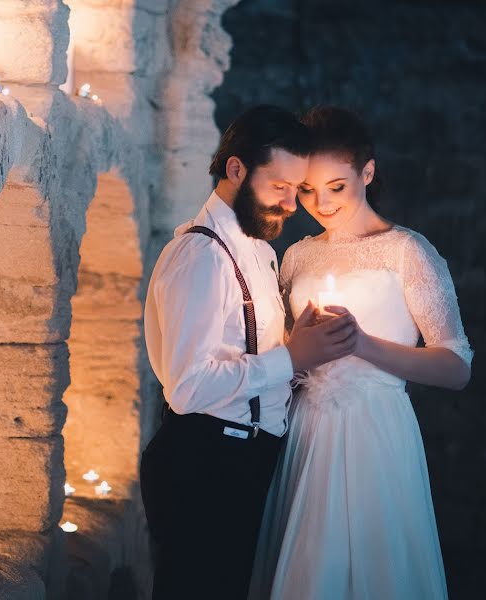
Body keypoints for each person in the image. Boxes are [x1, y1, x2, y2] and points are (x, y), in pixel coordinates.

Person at [249, 106, 473, 599]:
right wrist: (295, 348)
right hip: (306, 428)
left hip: (377, 429)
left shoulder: (406, 252)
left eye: (336, 186)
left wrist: (364, 345)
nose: (320, 203)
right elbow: (285, 353)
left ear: (366, 172)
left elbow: (456, 367)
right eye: (306, 189)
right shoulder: (298, 255)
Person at [140, 105, 359, 600]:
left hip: (244, 460)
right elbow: (189, 386)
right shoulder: (201, 255)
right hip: (205, 463)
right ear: (236, 169)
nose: (289, 204)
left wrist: (296, 346)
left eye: (294, 189)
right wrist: (291, 358)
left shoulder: (258, 250)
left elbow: (242, 354)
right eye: (278, 186)